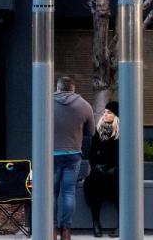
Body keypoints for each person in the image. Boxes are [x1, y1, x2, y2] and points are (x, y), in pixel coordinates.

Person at [53, 76, 94, 240]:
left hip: (51, 156)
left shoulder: (45, 103)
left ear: (57, 88)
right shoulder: (84, 105)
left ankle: (52, 229)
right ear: (73, 89)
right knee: (68, 193)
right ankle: (66, 230)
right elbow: (91, 132)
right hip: (73, 155)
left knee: (52, 193)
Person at [84, 101, 119, 238]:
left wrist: (114, 167)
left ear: (116, 115)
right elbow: (92, 153)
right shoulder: (99, 130)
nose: (105, 114)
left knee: (119, 188)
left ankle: (121, 225)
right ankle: (96, 223)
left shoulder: (122, 131)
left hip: (115, 171)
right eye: (105, 111)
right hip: (99, 170)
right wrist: (96, 166)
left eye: (109, 112)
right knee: (92, 187)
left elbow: (125, 153)